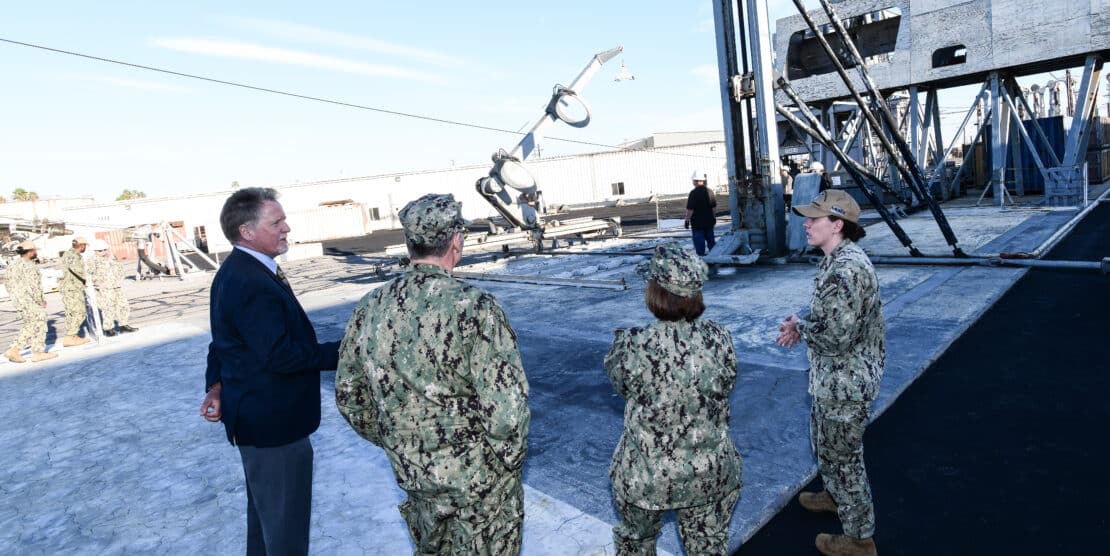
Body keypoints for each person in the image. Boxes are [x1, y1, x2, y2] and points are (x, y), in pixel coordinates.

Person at [336, 193, 530, 554]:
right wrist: (503, 465)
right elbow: (507, 411)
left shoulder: (370, 307)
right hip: (479, 487)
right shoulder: (474, 307)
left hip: (415, 476)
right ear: (456, 241)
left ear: (410, 243)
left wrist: (400, 442)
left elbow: (350, 394)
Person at [199, 187, 340, 556]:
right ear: (247, 232)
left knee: (267, 528)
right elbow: (280, 356)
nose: (286, 228)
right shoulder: (249, 281)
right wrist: (347, 352)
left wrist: (215, 386)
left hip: (260, 422)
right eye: (276, 222)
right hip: (274, 428)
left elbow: (223, 341)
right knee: (285, 534)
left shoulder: (241, 270)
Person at [606, 242, 743, 555]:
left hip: (646, 477)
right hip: (710, 474)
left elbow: (623, 386)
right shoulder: (719, 339)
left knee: (636, 543)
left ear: (655, 293)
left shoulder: (632, 344)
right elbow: (726, 384)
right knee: (708, 545)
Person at [776, 190, 884, 556]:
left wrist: (801, 328)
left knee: (844, 458)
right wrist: (804, 322)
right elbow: (835, 318)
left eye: (814, 218)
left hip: (846, 384)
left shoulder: (845, 270)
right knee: (825, 444)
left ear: (837, 224)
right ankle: (836, 496)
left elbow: (836, 337)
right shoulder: (837, 260)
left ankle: (859, 538)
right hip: (833, 380)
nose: (806, 224)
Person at [4, 241, 58, 363]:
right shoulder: (29, 265)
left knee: (30, 324)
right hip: (29, 299)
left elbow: (8, 284)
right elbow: (34, 285)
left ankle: (14, 350)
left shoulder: (13, 265)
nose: (36, 252)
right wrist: (40, 300)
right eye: (35, 251)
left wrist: (16, 296)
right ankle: (38, 352)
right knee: (40, 321)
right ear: (30, 252)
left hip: (19, 300)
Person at [87, 239, 138, 337]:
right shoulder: (92, 261)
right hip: (104, 288)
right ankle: (109, 329)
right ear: (95, 251)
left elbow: (119, 268)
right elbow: (88, 275)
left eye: (105, 250)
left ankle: (123, 325)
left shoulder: (112, 257)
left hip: (116, 286)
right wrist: (97, 283)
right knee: (108, 308)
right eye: (100, 251)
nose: (103, 252)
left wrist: (121, 278)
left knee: (123, 305)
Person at [58, 236, 92, 347]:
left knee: (72, 313)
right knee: (79, 312)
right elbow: (76, 269)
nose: (85, 248)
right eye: (85, 246)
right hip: (72, 289)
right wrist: (87, 279)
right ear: (81, 246)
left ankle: (72, 336)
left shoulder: (70, 254)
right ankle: (70, 336)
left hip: (72, 287)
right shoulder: (72, 255)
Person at [685, 168, 718, 256]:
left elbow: (690, 209)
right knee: (711, 242)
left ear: (695, 181)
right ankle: (715, 258)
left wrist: (687, 220)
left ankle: (701, 259)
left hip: (697, 224)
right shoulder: (710, 191)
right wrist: (714, 217)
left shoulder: (693, 193)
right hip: (709, 222)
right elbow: (713, 207)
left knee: (699, 246)